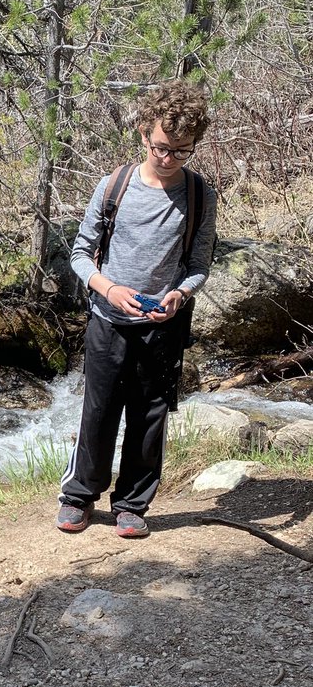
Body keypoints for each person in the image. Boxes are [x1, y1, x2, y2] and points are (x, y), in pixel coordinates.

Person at [57, 80, 217, 538]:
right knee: (99, 408)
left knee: (150, 414)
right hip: (108, 319)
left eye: (181, 152)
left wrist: (180, 294)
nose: (168, 160)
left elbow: (199, 264)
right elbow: (80, 254)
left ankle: (132, 503)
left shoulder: (200, 196)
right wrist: (107, 288)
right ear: (144, 133)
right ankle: (79, 496)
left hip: (162, 324)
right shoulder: (114, 186)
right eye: (161, 147)